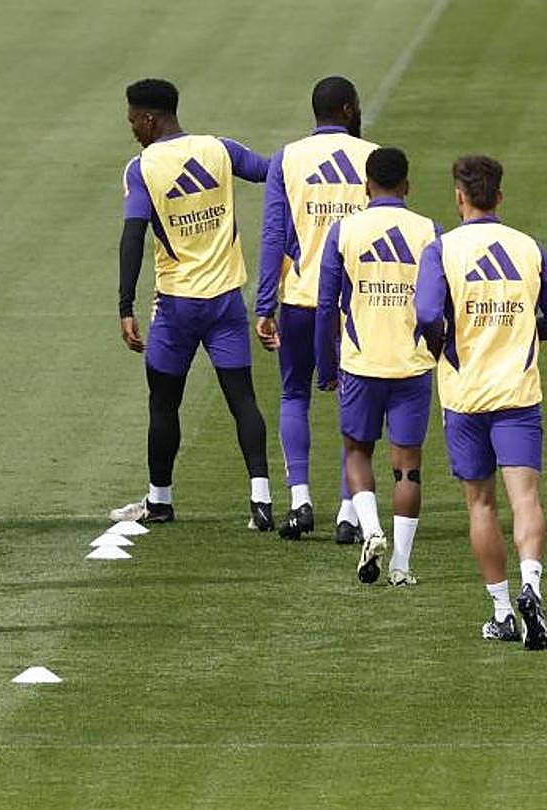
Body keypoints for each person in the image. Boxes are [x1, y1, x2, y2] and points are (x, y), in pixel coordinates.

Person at [108, 77, 274, 530]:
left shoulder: (142, 167)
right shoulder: (219, 149)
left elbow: (132, 236)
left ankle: (159, 501)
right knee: (243, 400)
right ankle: (261, 500)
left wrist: (125, 305)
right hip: (225, 303)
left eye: (132, 122)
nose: (132, 130)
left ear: (148, 118)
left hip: (177, 307)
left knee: (164, 404)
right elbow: (272, 171)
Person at [415, 155, 547, 648]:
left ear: (460, 196)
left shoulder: (442, 250)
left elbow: (428, 311)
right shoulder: (529, 248)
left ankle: (502, 611)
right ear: (501, 196)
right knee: (526, 499)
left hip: (465, 395)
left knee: (481, 504)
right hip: (518, 392)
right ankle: (533, 584)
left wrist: (439, 344)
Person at [255, 76, 377, 542]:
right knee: (355, 403)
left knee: (293, 394)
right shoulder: (373, 158)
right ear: (348, 110)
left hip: (302, 299)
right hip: (357, 304)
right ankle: (350, 510)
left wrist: (265, 304)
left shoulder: (288, 158)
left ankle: (301, 500)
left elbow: (273, 236)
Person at [315, 147, 438, 586]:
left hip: (361, 363)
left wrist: (325, 364)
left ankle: (370, 529)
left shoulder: (344, 231)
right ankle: (402, 566)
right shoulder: (428, 232)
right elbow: (436, 305)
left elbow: (326, 304)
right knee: (408, 468)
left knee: (357, 451)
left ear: (366, 186)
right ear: (407, 185)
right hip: (412, 364)